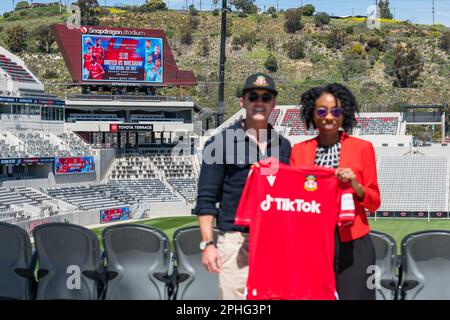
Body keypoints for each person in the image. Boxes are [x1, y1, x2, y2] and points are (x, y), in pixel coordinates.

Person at [193, 73, 292, 300]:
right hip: (237, 241)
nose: (259, 102)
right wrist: (208, 244)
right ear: (243, 101)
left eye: (266, 97)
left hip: (274, 243)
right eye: (253, 96)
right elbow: (206, 200)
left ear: (273, 104)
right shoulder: (220, 143)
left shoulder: (284, 146)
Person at [290, 83, 381, 300]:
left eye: (336, 111)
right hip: (312, 242)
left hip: (353, 241)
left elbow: (374, 202)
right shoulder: (299, 151)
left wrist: (355, 184)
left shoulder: (362, 148)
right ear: (312, 114)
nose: (328, 117)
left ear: (344, 115)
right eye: (321, 111)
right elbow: (293, 199)